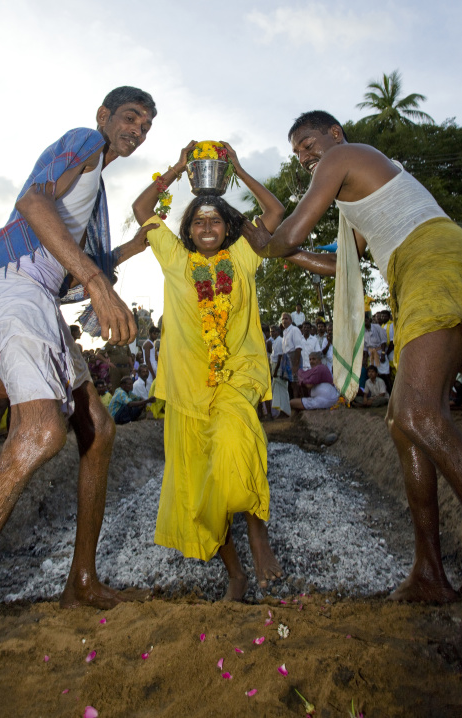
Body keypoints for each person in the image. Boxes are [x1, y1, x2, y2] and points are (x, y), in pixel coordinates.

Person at [243, 109, 462, 603]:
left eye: (307, 144)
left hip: (433, 259)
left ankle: (431, 569)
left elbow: (291, 233)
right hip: (417, 268)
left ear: (334, 135)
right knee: (401, 421)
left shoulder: (343, 157)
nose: (304, 157)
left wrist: (265, 242)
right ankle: (429, 572)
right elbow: (338, 263)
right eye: (297, 152)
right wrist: (276, 250)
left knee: (417, 413)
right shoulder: (354, 202)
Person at [0, 86, 158, 608]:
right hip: (12, 279)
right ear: (104, 116)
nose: (137, 128)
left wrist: (133, 249)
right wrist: (97, 283)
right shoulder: (86, 141)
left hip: (38, 292)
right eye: (131, 117)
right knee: (42, 431)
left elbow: (69, 266)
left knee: (100, 427)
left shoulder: (97, 195)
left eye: (146, 125)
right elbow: (32, 201)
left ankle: (82, 582)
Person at [132, 140, 285, 600]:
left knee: (240, 447)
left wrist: (235, 167)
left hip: (235, 379)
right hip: (187, 391)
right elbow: (142, 207)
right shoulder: (176, 261)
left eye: (215, 219)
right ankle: (234, 572)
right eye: (198, 220)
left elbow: (274, 212)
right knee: (200, 486)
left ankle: (258, 536)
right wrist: (180, 167)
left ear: (228, 226)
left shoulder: (242, 258)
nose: (206, 226)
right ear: (187, 229)